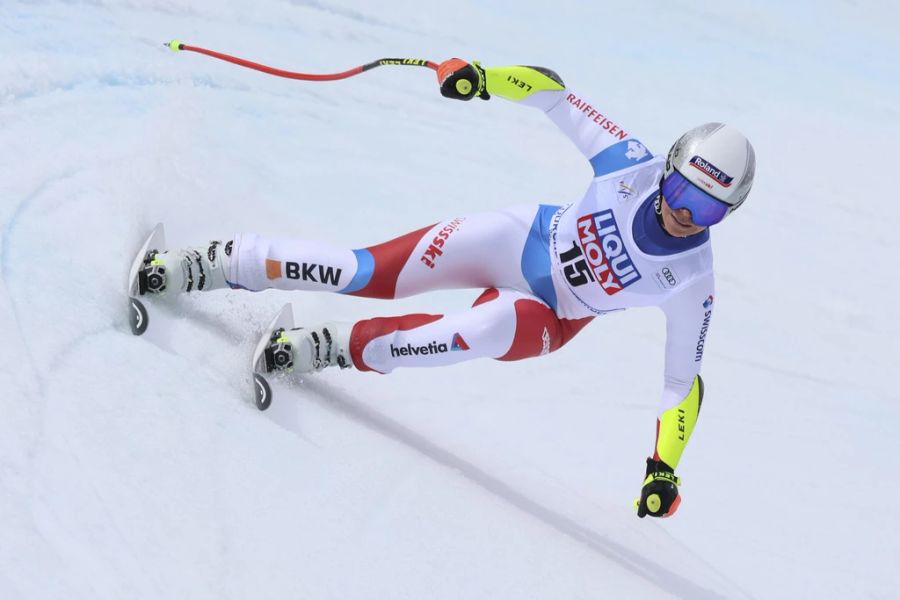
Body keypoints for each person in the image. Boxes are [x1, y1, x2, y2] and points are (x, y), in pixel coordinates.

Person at [137, 58, 756, 519]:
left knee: (472, 331)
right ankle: (204, 264)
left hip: (547, 314)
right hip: (521, 238)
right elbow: (553, 92)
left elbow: (683, 382)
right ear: (668, 169)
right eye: (680, 193)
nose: (683, 215)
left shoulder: (693, 281)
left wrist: (663, 472)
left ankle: (320, 347)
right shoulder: (629, 163)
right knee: (361, 271)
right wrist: (483, 77)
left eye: (706, 211)